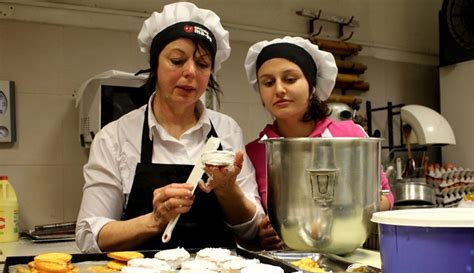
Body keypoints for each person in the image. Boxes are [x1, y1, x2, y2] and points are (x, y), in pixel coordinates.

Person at [76, 2, 264, 253]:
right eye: (177, 60)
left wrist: (227, 189)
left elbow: (252, 230)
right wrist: (154, 221)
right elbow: (91, 237)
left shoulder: (227, 130)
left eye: (202, 64)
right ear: (155, 64)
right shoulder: (115, 137)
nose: (190, 72)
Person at [244, 36, 394, 250]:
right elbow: (255, 220)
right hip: (286, 266)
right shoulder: (255, 152)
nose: (278, 89)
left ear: (312, 86)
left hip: (346, 257)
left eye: (290, 79)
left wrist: (347, 215)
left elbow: (386, 196)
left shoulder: (350, 136)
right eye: (268, 83)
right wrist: (264, 233)